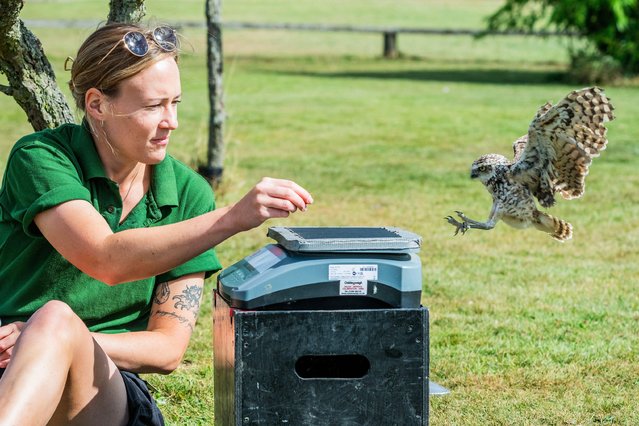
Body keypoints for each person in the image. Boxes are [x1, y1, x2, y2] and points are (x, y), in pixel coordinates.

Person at [0, 23, 312, 425]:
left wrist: (49, 340)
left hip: (106, 392)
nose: (172, 122)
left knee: (56, 320)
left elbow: (167, 350)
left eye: (175, 102)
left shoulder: (189, 194)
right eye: (153, 106)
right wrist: (233, 217)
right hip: (8, 365)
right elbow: (105, 257)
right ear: (97, 104)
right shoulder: (40, 158)